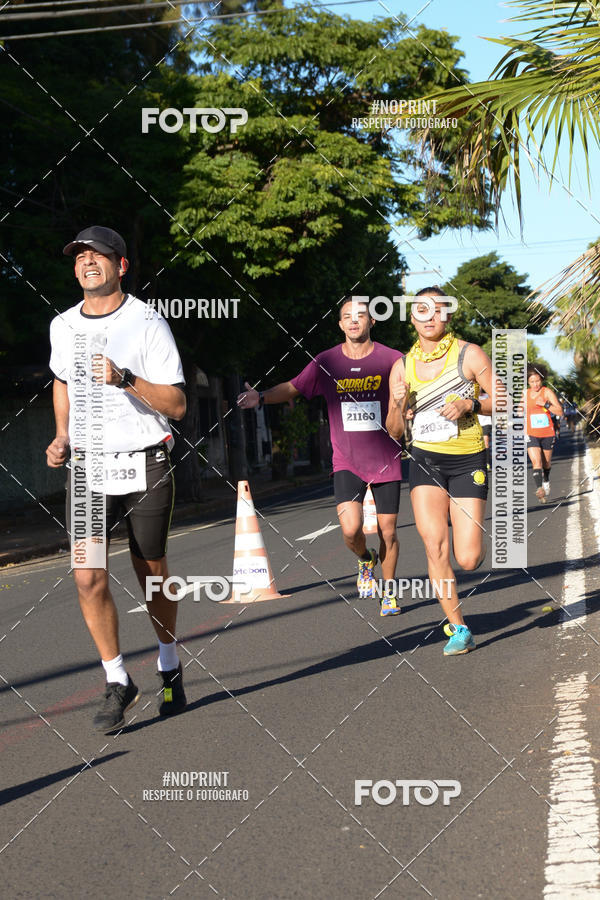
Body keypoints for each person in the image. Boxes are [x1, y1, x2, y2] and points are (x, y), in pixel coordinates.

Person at [46, 226, 188, 733]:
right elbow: (61, 383)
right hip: (88, 466)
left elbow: (177, 404)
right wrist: (62, 435)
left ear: (120, 265)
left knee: (150, 570)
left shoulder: (148, 322)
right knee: (87, 574)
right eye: (80, 256)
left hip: (145, 460)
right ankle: (117, 679)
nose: (87, 262)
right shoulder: (61, 325)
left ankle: (168, 663)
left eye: (98, 255)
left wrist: (124, 377)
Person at [237, 297, 406, 615]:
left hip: (386, 458)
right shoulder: (326, 361)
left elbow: (412, 392)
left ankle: (390, 592)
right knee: (350, 530)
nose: (354, 321)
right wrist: (259, 396)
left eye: (360, 315)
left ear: (372, 321)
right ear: (340, 324)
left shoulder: (393, 359)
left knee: (389, 531)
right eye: (347, 316)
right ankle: (366, 560)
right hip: (347, 460)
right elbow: (294, 387)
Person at [386, 287, 500, 656]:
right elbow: (393, 430)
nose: (430, 317)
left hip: (467, 459)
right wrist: (400, 403)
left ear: (447, 316)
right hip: (424, 461)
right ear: (412, 318)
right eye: (422, 310)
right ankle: (459, 628)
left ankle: (466, 521)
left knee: (467, 558)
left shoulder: (469, 354)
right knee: (435, 547)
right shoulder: (402, 367)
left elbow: (504, 399)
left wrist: (470, 403)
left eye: (437, 310)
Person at [524, 366, 563, 503]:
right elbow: (519, 411)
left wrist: (546, 405)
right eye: (532, 381)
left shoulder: (547, 392)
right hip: (531, 433)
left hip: (547, 433)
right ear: (528, 382)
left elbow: (560, 411)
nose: (535, 384)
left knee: (546, 463)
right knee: (536, 462)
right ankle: (540, 489)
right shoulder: (525, 394)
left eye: (538, 381)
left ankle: (546, 479)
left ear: (541, 380)